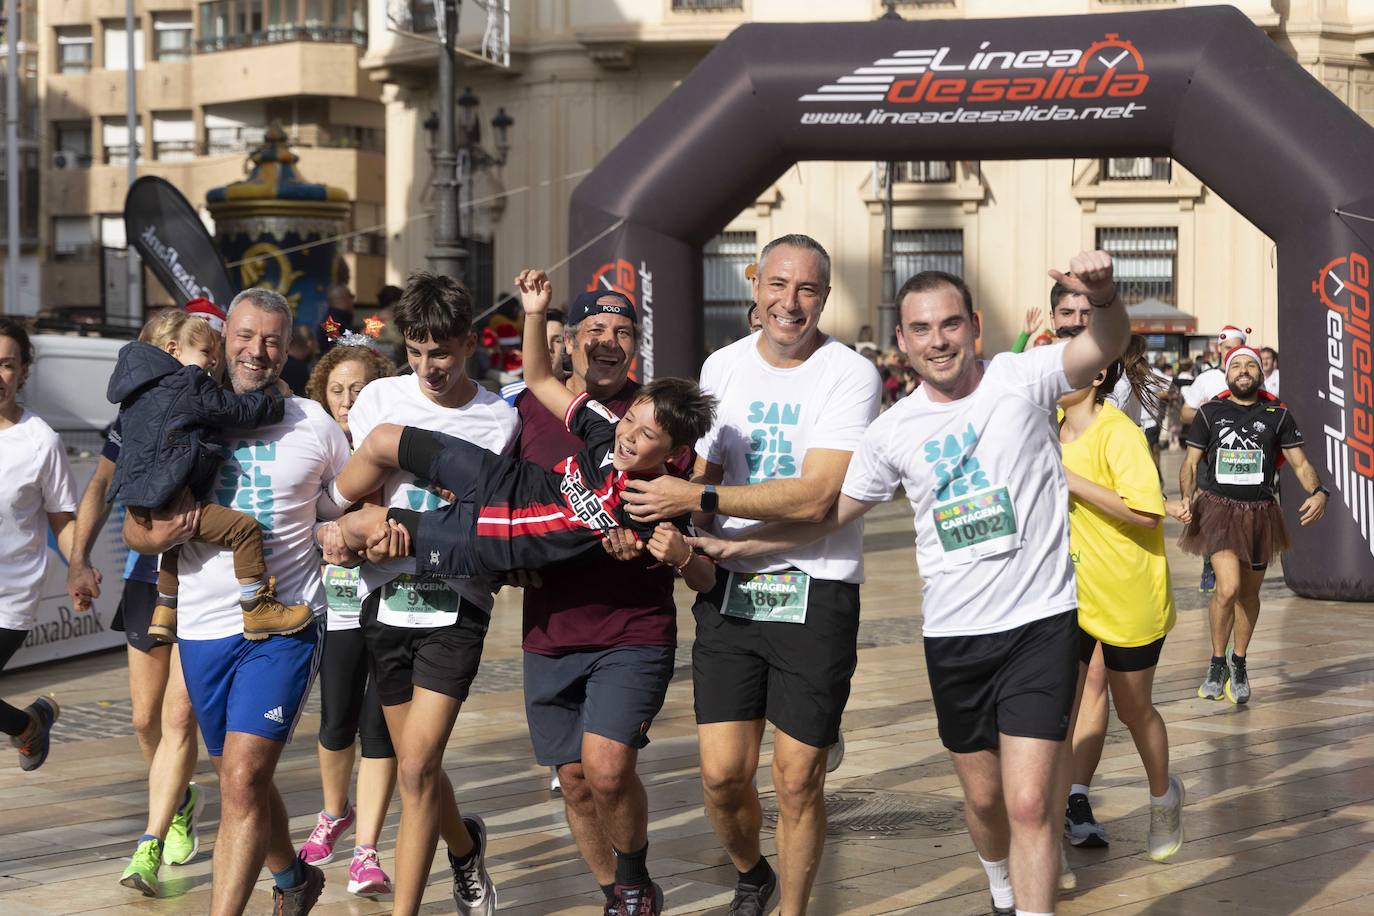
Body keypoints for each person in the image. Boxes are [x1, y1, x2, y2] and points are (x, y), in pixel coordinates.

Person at [689, 250, 1129, 916]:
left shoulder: (1022, 378)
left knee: (1031, 802)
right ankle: (999, 880)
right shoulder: (892, 432)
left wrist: (1106, 295)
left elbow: (1105, 343)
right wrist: (732, 540)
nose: (938, 340)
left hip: (1041, 621)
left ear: (975, 326)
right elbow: (828, 514)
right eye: (922, 329)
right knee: (984, 801)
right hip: (954, 635)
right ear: (904, 340)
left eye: (950, 324)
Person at [622, 234, 882, 916]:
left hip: (815, 586)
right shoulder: (722, 367)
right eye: (777, 285)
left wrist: (699, 501)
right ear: (755, 287)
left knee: (797, 782)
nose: (789, 303)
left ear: (824, 298)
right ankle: (752, 870)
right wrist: (668, 518)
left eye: (806, 290)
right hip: (731, 591)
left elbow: (815, 495)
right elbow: (699, 474)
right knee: (721, 778)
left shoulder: (850, 374)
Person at [123, 287, 352, 915]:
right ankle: (293, 879)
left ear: (287, 349)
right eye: (246, 337)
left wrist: (345, 530)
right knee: (238, 780)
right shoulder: (188, 409)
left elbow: (351, 505)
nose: (258, 351)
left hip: (282, 624)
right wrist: (157, 533)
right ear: (225, 340)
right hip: (201, 626)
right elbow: (134, 525)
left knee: (245, 778)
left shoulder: (313, 421)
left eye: (273, 340)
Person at [316, 271, 517, 916]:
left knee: (417, 763)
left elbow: (496, 517)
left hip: (458, 601)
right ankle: (464, 849)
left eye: (444, 352)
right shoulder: (379, 399)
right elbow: (352, 499)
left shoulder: (497, 419)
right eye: (418, 351)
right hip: (385, 595)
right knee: (415, 764)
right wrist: (355, 528)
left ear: (469, 344)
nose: (430, 367)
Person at [504, 282, 695, 914]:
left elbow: (677, 523)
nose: (608, 342)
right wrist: (512, 562)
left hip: (630, 629)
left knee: (610, 769)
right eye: (597, 329)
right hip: (550, 627)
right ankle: (618, 895)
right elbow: (534, 380)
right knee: (577, 783)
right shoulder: (565, 411)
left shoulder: (658, 429)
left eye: (623, 333)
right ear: (575, 338)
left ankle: (634, 878)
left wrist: (652, 546)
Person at [68, 306, 222, 897]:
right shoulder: (134, 411)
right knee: (141, 718)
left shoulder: (208, 400)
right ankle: (182, 799)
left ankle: (153, 838)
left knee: (178, 716)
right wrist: (80, 559)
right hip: (143, 573)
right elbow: (101, 486)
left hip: (197, 575)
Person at [105, 309, 308, 643]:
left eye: (215, 356)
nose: (213, 364)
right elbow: (240, 411)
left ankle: (165, 609)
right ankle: (257, 607)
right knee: (244, 530)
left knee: (175, 545)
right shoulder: (188, 382)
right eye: (205, 355)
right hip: (168, 495)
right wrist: (273, 397)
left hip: (140, 497)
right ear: (173, 350)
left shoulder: (137, 392)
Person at [1058, 349, 1188, 864]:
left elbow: (1147, 512)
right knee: (1072, 703)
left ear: (1095, 377)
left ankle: (1163, 798)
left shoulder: (1118, 432)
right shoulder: (1050, 426)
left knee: (1133, 708)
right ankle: (1074, 800)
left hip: (1129, 592)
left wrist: (1071, 481)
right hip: (1070, 589)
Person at [297, 339, 399, 897]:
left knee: (378, 725)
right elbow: (296, 518)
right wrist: (323, 533)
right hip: (337, 603)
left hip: (396, 602)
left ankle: (367, 851)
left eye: (357, 387)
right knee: (336, 720)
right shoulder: (314, 443)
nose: (346, 398)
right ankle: (334, 813)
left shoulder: (395, 440)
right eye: (336, 389)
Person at [1180, 345, 1328, 705]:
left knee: (1248, 594)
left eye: (1251, 365)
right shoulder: (1209, 412)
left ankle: (1239, 662)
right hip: (1218, 509)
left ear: (1261, 374)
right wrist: (1186, 497)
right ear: (1226, 373)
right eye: (1237, 366)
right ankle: (1217, 662)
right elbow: (1189, 464)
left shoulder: (1277, 413)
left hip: (1260, 513)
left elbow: (1300, 463)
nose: (1243, 370)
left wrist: (1319, 490)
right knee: (1227, 588)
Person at [0, 317, 77, 772]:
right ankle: (27, 725)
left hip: (9, 595)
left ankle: (27, 727)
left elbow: (62, 519)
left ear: (24, 370)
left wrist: (79, 565)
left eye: (7, 365)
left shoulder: (39, 441)